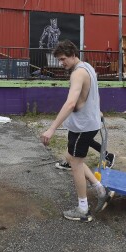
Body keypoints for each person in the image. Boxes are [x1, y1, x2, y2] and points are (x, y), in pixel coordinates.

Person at [40, 40, 114, 222]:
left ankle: (83, 210)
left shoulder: (77, 74)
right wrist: (97, 110)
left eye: (63, 59)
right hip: (86, 123)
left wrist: (51, 129)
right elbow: (92, 93)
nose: (61, 63)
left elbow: (71, 103)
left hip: (83, 126)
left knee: (76, 164)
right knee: (70, 156)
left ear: (73, 55)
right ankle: (100, 189)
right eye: (59, 60)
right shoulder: (87, 66)